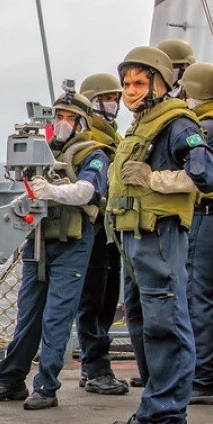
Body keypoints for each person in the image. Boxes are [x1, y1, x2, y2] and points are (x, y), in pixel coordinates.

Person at [107, 46, 213, 424]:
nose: (130, 91)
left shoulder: (177, 123)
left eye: (139, 83)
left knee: (167, 323)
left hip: (160, 236)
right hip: (135, 239)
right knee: (146, 324)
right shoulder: (143, 124)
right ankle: (154, 407)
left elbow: (208, 174)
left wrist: (154, 179)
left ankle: (169, 416)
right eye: (126, 84)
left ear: (160, 83)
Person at [0, 90, 109, 410]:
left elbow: (88, 190)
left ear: (82, 123)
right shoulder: (41, 151)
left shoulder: (93, 154)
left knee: (56, 317)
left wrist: (52, 190)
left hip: (72, 242)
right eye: (59, 117)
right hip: (38, 241)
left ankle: (46, 386)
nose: (63, 123)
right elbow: (20, 190)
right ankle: (10, 379)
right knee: (28, 315)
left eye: (70, 118)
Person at [73, 73, 128, 395]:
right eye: (106, 98)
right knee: (93, 301)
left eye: (115, 98)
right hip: (93, 229)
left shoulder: (113, 137)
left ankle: (93, 365)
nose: (113, 104)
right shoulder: (89, 140)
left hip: (111, 229)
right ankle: (95, 369)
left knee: (107, 298)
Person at [178, 62, 213, 405]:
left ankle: (202, 378)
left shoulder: (206, 128)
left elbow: (193, 171)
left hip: (208, 217)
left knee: (198, 296)